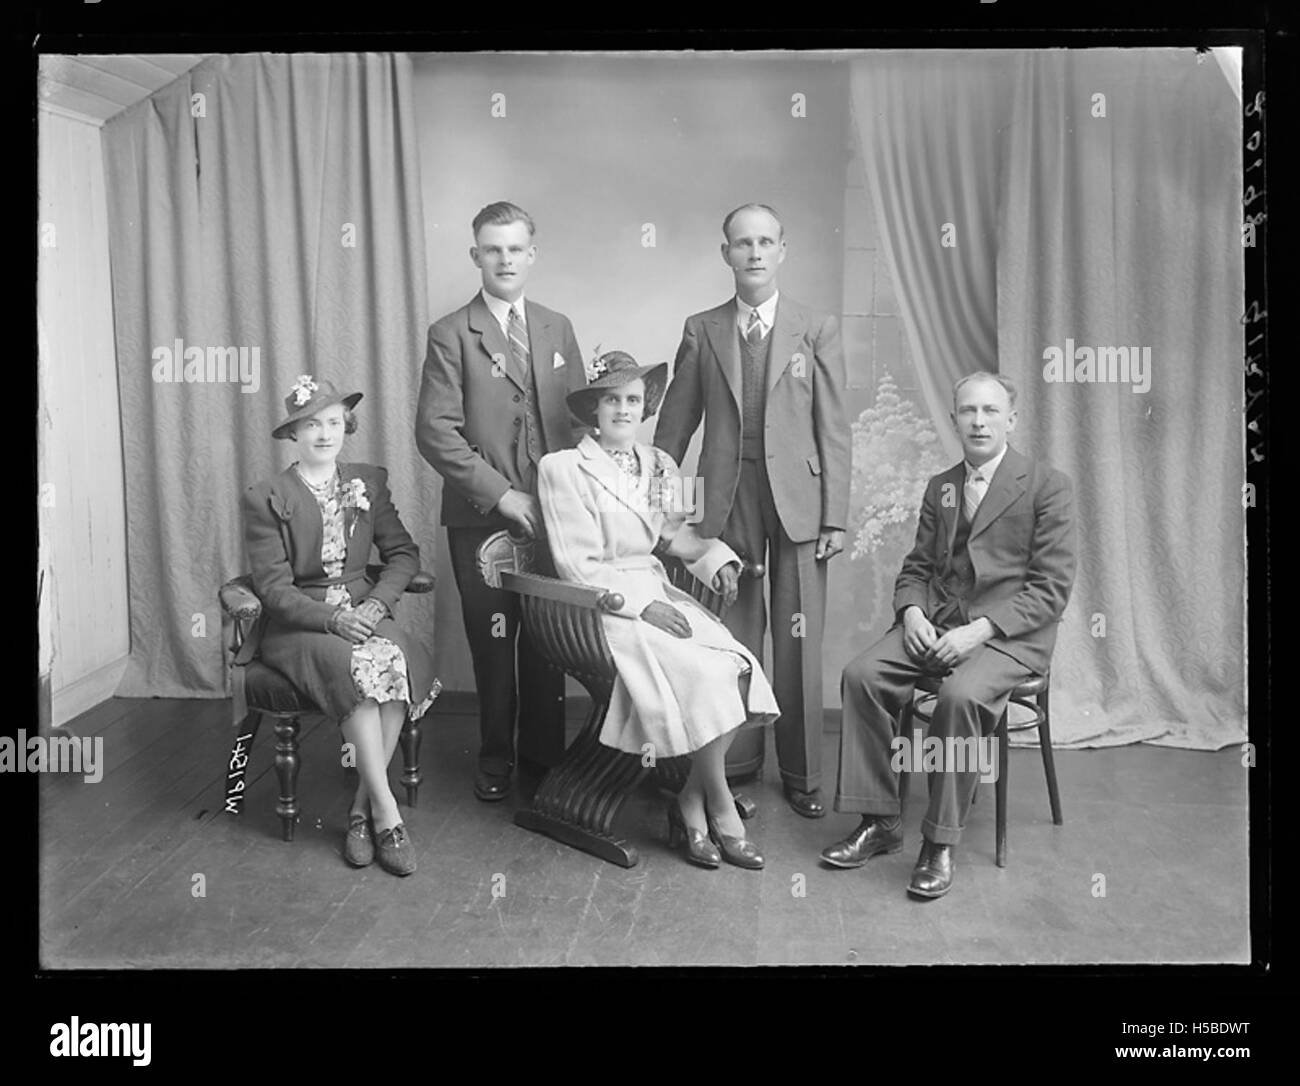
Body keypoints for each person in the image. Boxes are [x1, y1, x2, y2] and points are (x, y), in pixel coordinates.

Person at [822, 371, 1076, 898]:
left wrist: (979, 632)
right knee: (861, 676)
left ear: (1011, 418)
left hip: (1009, 636)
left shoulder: (1049, 487)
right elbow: (916, 568)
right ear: (955, 418)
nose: (979, 421)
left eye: (989, 411)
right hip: (937, 620)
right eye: (968, 411)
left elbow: (1050, 590)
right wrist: (913, 613)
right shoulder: (942, 486)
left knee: (958, 697)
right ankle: (881, 820)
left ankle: (939, 842)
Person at [538, 351, 781, 869]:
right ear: (594, 411)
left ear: (644, 406)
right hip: (606, 608)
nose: (623, 410)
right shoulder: (563, 468)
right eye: (611, 401)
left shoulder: (657, 464)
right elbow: (576, 566)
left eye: (631, 400)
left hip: (654, 591)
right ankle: (716, 806)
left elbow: (673, 535)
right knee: (700, 669)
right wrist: (642, 608)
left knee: (734, 667)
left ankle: (692, 797)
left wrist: (719, 560)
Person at [653, 203, 851, 820]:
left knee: (796, 637)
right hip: (725, 501)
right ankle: (731, 770)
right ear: (727, 255)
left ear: (783, 251)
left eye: (766, 242)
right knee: (733, 638)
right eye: (743, 243)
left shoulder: (815, 328)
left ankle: (802, 773)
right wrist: (661, 501)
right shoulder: (703, 328)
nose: (755, 253)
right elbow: (676, 423)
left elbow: (835, 429)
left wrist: (835, 517)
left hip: (799, 503)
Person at [415, 201, 587, 803]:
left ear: (531, 255)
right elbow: (435, 432)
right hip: (481, 517)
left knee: (548, 639)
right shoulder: (450, 333)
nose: (505, 259)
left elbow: (579, 421)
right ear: (476, 257)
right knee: (493, 640)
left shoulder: (556, 326)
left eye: (515, 249)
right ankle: (495, 760)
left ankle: (544, 761)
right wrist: (501, 494)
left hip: (552, 517)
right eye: (493, 249)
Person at [242, 376, 441, 876]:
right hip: (301, 624)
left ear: (346, 426)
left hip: (363, 610)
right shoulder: (267, 496)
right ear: (294, 434)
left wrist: (375, 605)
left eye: (333, 423)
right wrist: (333, 618)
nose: (325, 434)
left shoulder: (368, 482)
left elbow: (402, 554)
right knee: (356, 668)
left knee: (398, 660)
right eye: (312, 425)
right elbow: (273, 589)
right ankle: (388, 814)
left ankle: (360, 811)